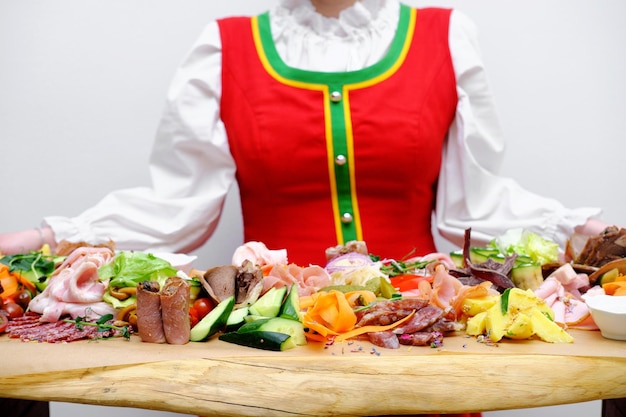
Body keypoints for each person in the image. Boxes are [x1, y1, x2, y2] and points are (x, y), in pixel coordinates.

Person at [0, 0, 620, 416]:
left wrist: (589, 230)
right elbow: (176, 205)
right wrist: (41, 235)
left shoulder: (445, 36)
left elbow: (476, 204)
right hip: (268, 361)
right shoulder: (225, 47)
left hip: (419, 353)